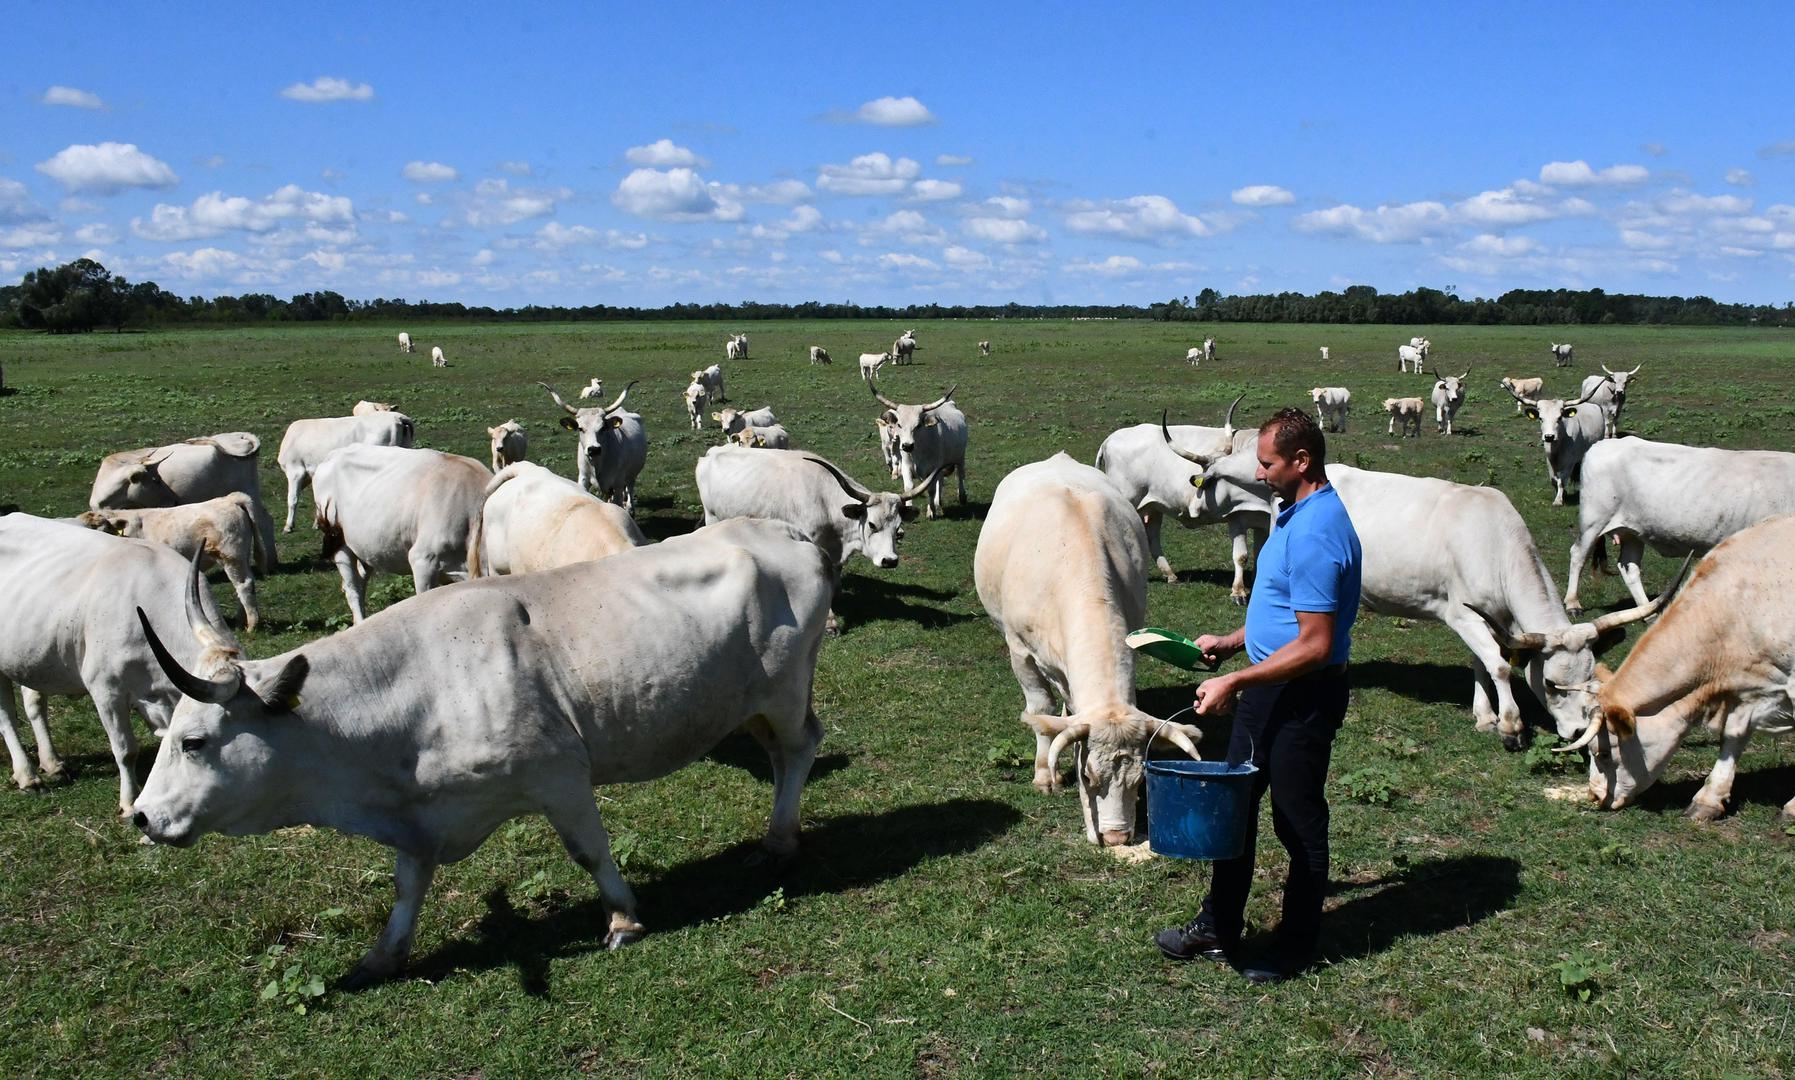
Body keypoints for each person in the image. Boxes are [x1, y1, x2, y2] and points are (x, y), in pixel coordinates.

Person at [1153, 406, 1361, 984]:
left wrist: (1236, 681)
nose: (1260, 473)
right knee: (1235, 809)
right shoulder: (1292, 513)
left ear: (1302, 460)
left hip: (1301, 696)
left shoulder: (1317, 532)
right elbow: (1282, 610)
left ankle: (1295, 945)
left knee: (1297, 822)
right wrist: (1232, 642)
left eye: (1268, 464)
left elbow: (1316, 644)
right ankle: (1218, 926)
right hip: (1268, 689)